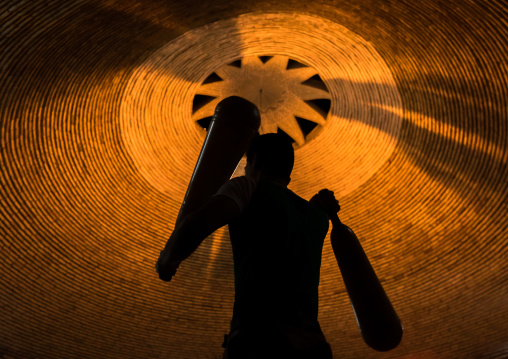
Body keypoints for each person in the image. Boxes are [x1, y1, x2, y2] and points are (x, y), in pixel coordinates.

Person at [156, 133, 340, 358]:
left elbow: (197, 225)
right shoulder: (316, 217)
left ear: (255, 160)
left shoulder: (249, 187)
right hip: (314, 347)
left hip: (260, 341)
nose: (244, 170)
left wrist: (167, 260)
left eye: (245, 165)